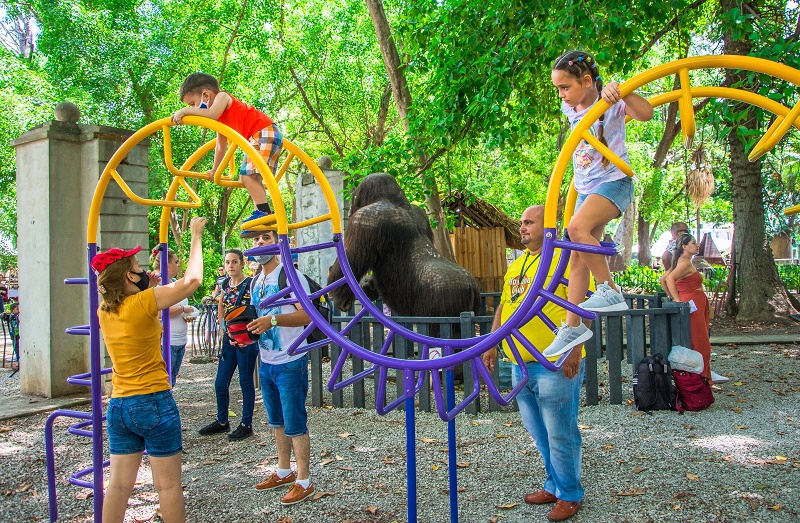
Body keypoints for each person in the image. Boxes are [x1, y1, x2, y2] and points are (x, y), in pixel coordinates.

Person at [93, 216, 206, 523]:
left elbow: (138, 313)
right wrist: (195, 236)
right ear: (130, 277)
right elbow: (192, 280)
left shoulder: (105, 310)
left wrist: (149, 288)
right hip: (153, 401)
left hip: (119, 405)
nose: (144, 271)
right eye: (138, 268)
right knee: (168, 486)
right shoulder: (144, 301)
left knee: (117, 485)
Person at [544, 50, 654, 358]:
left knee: (576, 227)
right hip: (587, 188)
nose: (561, 94)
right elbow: (578, 109)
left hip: (614, 182)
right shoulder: (571, 109)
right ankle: (573, 324)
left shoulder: (612, 103)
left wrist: (622, 90)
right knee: (579, 255)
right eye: (558, 89)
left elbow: (646, 114)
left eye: (565, 87)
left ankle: (610, 289)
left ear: (587, 81)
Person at [483, 206, 585, 522]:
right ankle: (554, 485)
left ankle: (570, 494)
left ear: (548, 226)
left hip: (553, 360)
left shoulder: (564, 259)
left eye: (529, 222)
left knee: (560, 432)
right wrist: (491, 342)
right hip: (518, 363)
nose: (523, 227)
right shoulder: (516, 265)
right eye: (522, 222)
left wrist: (575, 348)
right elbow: (504, 304)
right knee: (540, 432)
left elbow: (578, 303)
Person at [247, 230, 316, 506]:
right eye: (255, 240)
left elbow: (308, 315)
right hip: (266, 361)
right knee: (276, 421)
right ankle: (284, 471)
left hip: (291, 360)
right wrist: (243, 333)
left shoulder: (290, 275)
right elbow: (256, 317)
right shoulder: (256, 280)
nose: (260, 243)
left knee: (295, 422)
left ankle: (304, 481)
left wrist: (273, 320)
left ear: (278, 243)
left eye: (266, 237)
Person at [171, 73, 282, 224]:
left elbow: (210, 113)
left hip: (263, 132)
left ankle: (263, 213)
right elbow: (220, 146)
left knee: (247, 177)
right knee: (253, 179)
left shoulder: (222, 97)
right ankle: (262, 217)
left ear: (206, 95)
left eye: (192, 103)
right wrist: (215, 169)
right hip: (264, 134)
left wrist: (184, 112)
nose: (192, 108)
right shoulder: (221, 120)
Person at [198, 249, 259, 441]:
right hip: (229, 337)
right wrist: (223, 325)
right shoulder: (224, 283)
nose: (230, 265)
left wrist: (247, 334)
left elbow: (257, 308)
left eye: (234, 262)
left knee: (245, 382)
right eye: (227, 262)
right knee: (221, 381)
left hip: (246, 339)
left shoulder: (251, 283)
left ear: (242, 263)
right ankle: (222, 420)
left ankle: (246, 424)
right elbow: (222, 303)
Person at [663, 233, 714, 382]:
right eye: (693, 243)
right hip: (692, 301)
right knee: (700, 340)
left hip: (695, 301)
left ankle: (701, 376)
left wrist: (673, 296)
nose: (697, 245)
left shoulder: (682, 261)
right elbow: (669, 279)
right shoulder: (684, 262)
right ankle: (702, 377)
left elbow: (664, 279)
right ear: (684, 246)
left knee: (699, 338)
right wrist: (677, 299)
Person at [151, 248, 196, 386]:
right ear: (166, 264)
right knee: (162, 382)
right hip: (165, 341)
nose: (178, 265)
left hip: (179, 341)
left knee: (171, 381)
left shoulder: (174, 282)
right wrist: (182, 309)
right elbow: (158, 311)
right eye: (176, 262)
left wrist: (187, 314)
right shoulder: (155, 283)